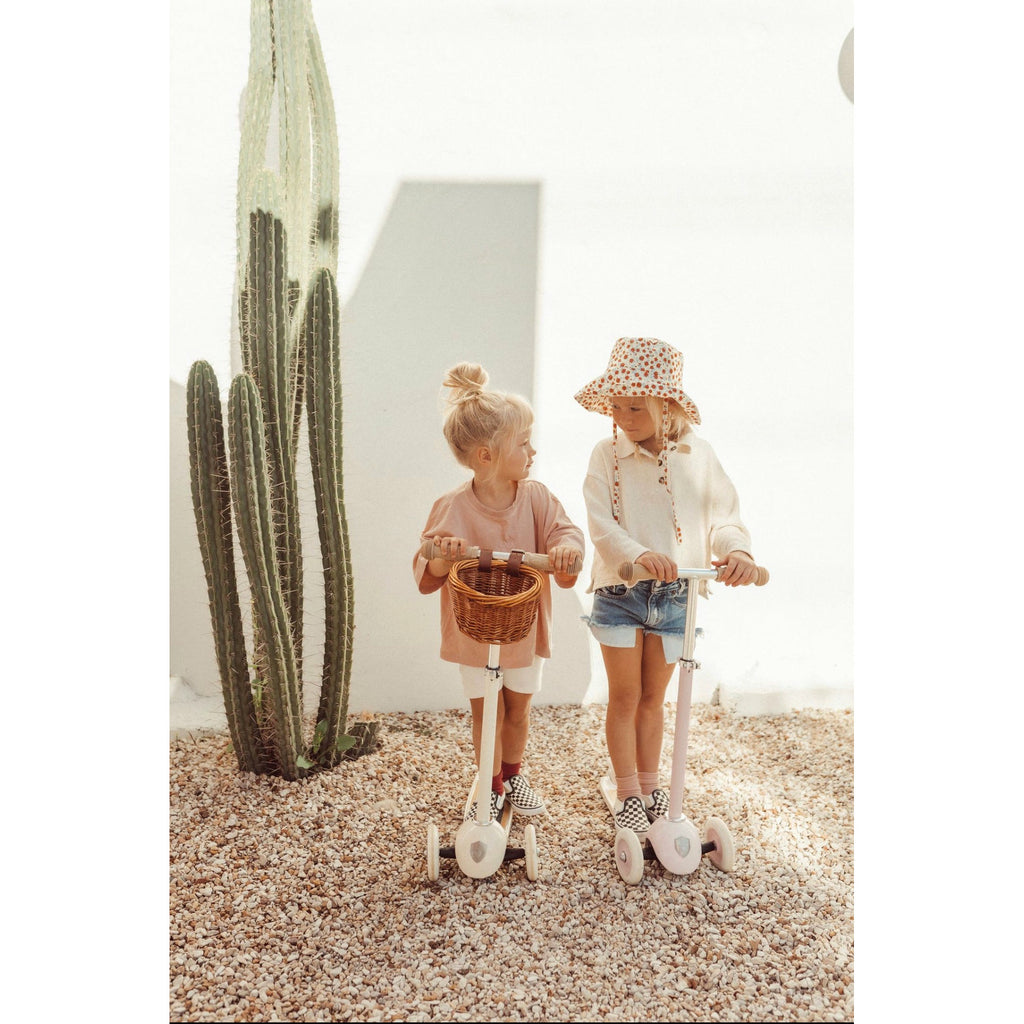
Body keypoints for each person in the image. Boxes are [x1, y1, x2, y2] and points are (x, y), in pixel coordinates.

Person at [575, 337, 759, 834]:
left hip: (678, 595)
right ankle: (628, 791)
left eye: (635, 407)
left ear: (667, 405)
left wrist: (737, 551)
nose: (623, 417)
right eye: (616, 407)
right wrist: (637, 554)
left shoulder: (699, 455)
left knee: (654, 698)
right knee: (625, 695)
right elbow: (600, 523)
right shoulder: (607, 455)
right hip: (621, 592)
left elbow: (723, 515)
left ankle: (651, 785)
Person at [414, 363, 585, 822]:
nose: (533, 451)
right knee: (486, 712)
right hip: (474, 632)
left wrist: (566, 550)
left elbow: (564, 532)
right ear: (487, 455)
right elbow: (427, 567)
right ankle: (489, 783)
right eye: (523, 443)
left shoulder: (537, 497)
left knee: (518, 710)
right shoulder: (451, 507)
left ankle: (512, 773)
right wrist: (443, 555)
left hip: (524, 629)